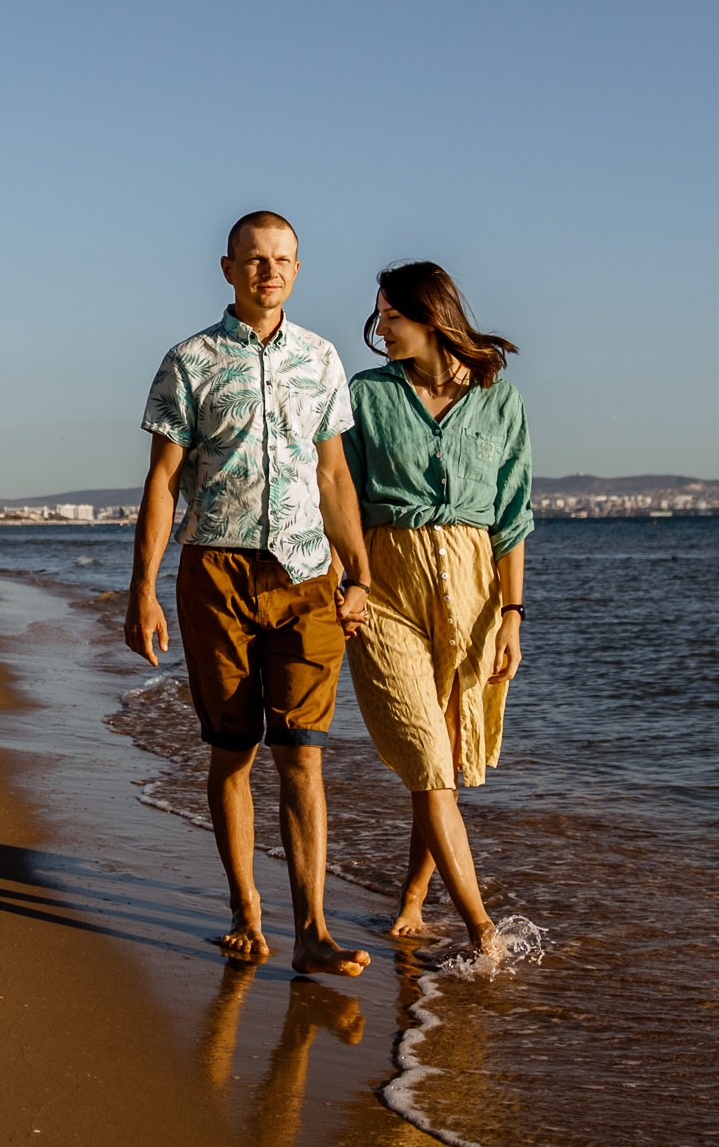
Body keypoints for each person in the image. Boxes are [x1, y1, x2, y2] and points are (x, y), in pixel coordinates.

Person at [125, 211, 372, 977]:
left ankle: (313, 931)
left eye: (283, 260)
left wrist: (359, 571)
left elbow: (334, 475)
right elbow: (164, 481)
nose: (270, 271)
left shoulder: (322, 359)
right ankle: (245, 912)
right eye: (256, 259)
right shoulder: (189, 361)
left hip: (306, 576)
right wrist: (143, 590)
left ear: (298, 270)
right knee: (232, 751)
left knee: (303, 757)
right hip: (217, 572)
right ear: (228, 268)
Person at [342, 260, 533, 956]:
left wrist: (513, 614)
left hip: (474, 592)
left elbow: (513, 517)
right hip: (386, 586)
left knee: (443, 763)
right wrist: (348, 583)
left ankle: (415, 900)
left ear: (432, 316)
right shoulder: (364, 396)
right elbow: (344, 501)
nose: (380, 328)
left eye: (392, 315)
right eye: (381, 315)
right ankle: (484, 930)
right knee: (426, 754)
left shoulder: (499, 401)